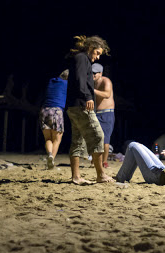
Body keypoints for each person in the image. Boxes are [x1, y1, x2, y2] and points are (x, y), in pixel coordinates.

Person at [66, 35, 114, 185]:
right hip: (81, 105)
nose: (98, 57)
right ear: (91, 48)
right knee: (99, 136)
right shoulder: (81, 58)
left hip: (73, 105)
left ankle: (76, 177)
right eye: (97, 53)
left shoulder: (80, 58)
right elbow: (81, 80)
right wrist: (88, 97)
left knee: (78, 141)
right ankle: (101, 175)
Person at [39, 69, 69, 169]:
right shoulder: (66, 84)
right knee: (57, 139)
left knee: (48, 138)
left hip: (44, 110)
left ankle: (49, 155)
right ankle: (52, 162)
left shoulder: (52, 81)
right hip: (56, 111)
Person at [92, 63, 115, 168]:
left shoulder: (106, 81)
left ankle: (104, 162)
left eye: (95, 73)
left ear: (100, 73)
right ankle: (95, 160)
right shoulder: (93, 82)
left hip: (107, 113)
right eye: (91, 73)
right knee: (95, 137)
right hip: (96, 113)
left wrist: (92, 90)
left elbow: (107, 94)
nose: (92, 75)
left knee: (105, 139)